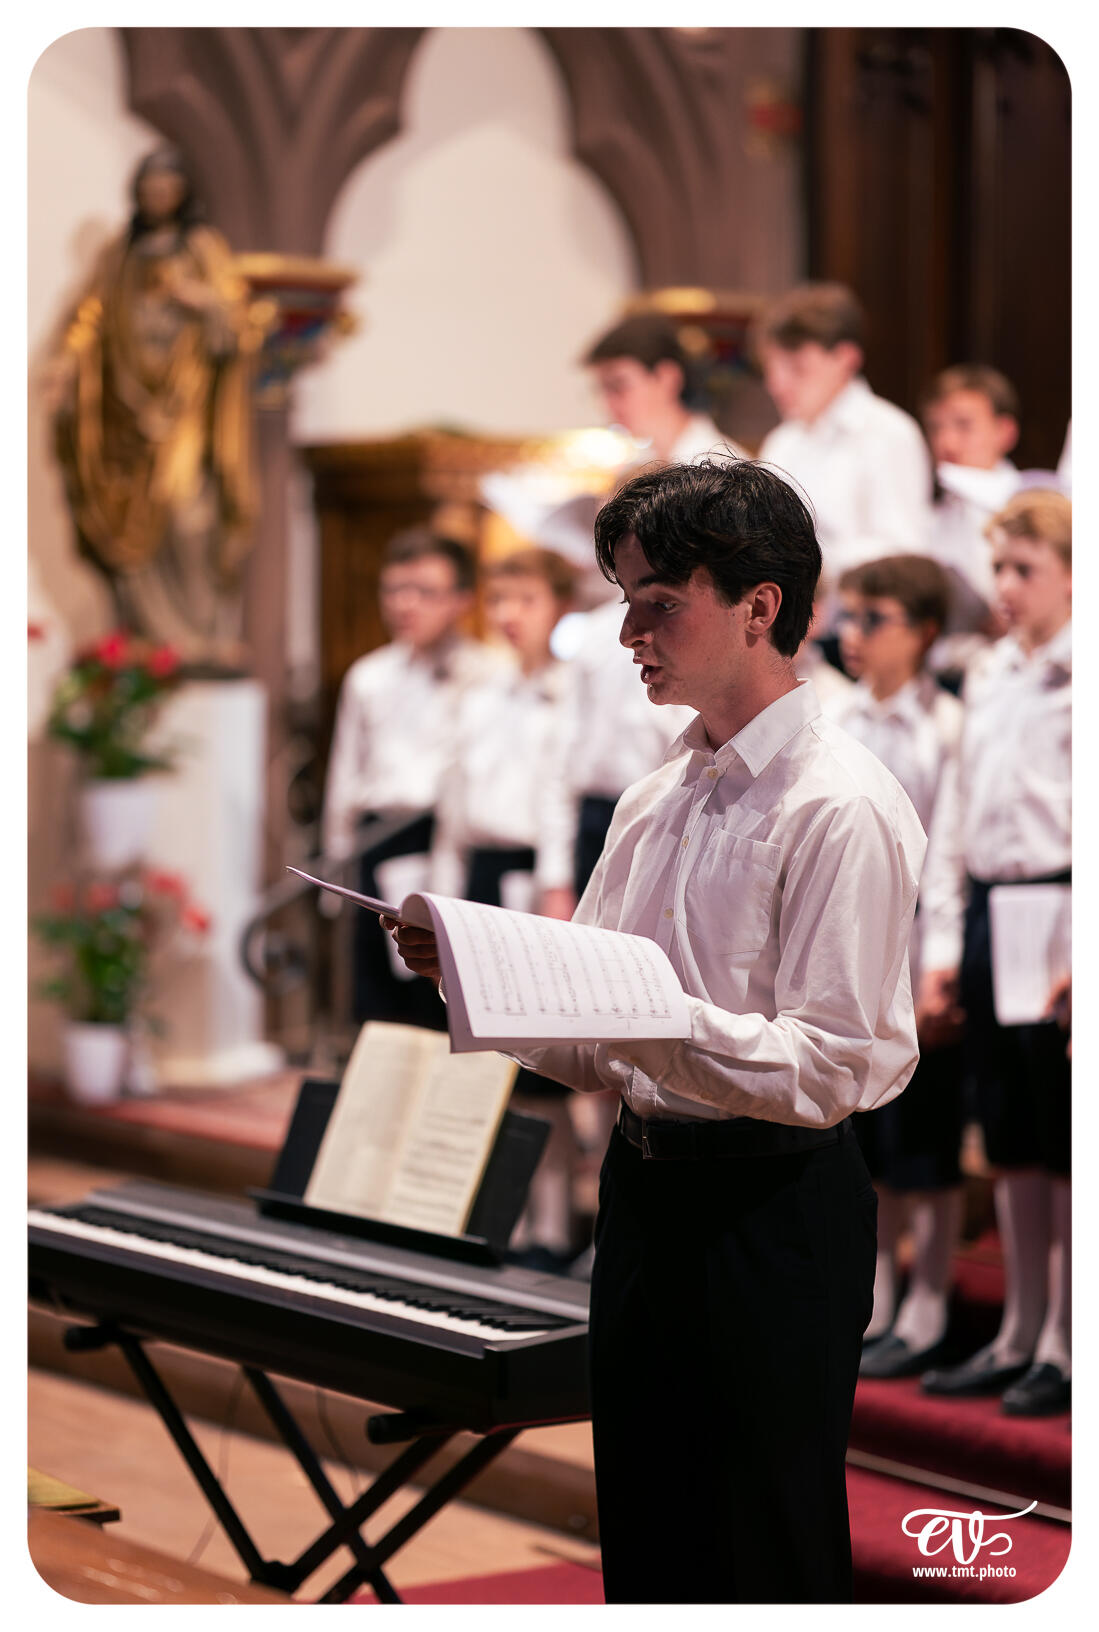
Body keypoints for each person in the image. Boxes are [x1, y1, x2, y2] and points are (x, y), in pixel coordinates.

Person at [387, 459, 927, 1603]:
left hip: (772, 1209)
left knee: (764, 1548)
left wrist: (664, 1019)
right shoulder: (653, 797)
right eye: (623, 599)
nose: (626, 630)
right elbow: (592, 1042)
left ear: (758, 606)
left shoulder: (841, 803)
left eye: (656, 601)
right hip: (643, 1195)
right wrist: (479, 977)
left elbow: (834, 1065)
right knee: (647, 1536)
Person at [918, 491, 1071, 1416]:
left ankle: (1065, 1339)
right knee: (1009, 1133)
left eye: (1024, 569)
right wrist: (942, 943)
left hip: (1061, 906)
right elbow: (954, 811)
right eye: (999, 569)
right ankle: (1019, 1328)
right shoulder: (987, 670)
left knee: (1064, 1138)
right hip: (991, 907)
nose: (1005, 587)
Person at [538, 313, 746, 922]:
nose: (611, 405)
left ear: (667, 378)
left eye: (619, 384)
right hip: (611, 790)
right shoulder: (635, 466)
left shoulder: (722, 471)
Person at [48, 146, 262, 673]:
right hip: (127, 407)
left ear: (184, 192)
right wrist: (66, 363)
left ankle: (197, 632)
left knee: (187, 514)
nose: (159, 193)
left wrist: (203, 301)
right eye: (150, 185)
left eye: (168, 184)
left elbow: (238, 322)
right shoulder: (121, 253)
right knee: (133, 524)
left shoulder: (203, 248)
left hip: (184, 406)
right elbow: (91, 316)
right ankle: (150, 636)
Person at [831, 555, 965, 1377]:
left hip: (917, 937)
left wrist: (938, 966)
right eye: (846, 617)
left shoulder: (945, 726)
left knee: (926, 1130)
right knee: (863, 1133)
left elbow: (945, 854)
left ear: (920, 632)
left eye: (871, 619)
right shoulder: (834, 717)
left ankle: (931, 1302)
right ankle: (876, 1297)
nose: (851, 635)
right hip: (849, 935)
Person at [429, 548, 583, 1267]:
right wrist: (441, 897)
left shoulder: (572, 691)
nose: (509, 614)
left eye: (526, 598)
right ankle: (509, 1215)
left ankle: (554, 1223)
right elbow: (453, 804)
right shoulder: (480, 692)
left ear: (558, 606)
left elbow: (562, 798)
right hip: (485, 871)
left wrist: (558, 888)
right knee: (493, 1058)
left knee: (541, 1066)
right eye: (499, 600)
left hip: (541, 878)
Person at [321, 527, 505, 1029]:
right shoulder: (369, 675)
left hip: (452, 839)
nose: (405, 604)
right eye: (394, 589)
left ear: (461, 600)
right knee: (379, 1001)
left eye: (423, 592)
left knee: (446, 999)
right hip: (380, 836)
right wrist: (337, 865)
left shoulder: (491, 672)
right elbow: (345, 772)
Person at [754, 283, 933, 630]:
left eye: (796, 367)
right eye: (770, 369)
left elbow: (905, 553)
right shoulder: (782, 441)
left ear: (845, 359)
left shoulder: (888, 432)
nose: (777, 384)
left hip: (859, 632)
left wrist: (811, 564)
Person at [919, 363, 1023, 682]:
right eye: (936, 428)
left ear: (1005, 431)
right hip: (942, 668)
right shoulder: (932, 513)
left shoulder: (1031, 507)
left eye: (964, 425)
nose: (947, 442)